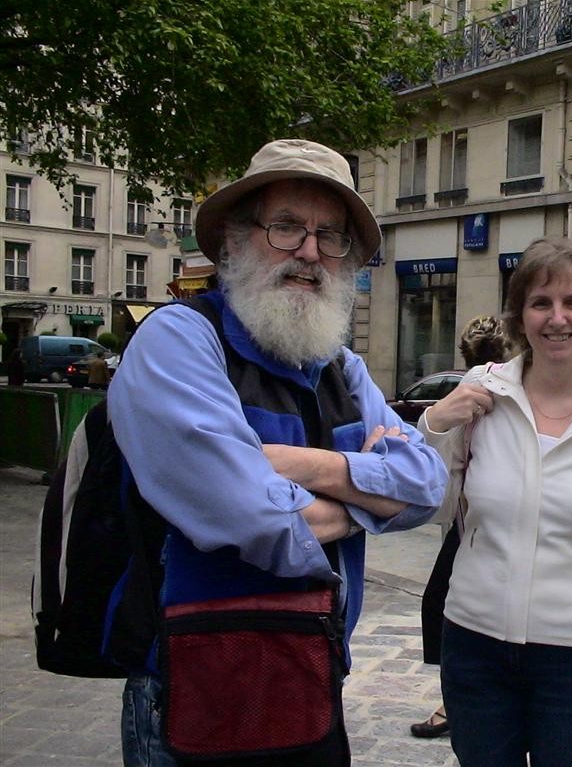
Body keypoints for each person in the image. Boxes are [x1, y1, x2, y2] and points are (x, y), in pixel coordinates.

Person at [108, 138, 447, 767]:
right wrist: (366, 499)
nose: (310, 253)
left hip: (315, 677)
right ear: (235, 241)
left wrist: (291, 466)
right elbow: (253, 518)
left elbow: (426, 485)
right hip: (196, 686)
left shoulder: (340, 366)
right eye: (286, 227)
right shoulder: (179, 340)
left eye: (330, 235)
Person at [420, 237, 572, 767]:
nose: (557, 318)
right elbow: (437, 506)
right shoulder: (483, 394)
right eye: (540, 303)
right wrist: (437, 424)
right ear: (520, 317)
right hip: (474, 642)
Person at [411, 314, 511, 740]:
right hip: (470, 516)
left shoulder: (481, 381)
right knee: (445, 602)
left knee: (447, 603)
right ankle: (457, 697)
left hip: (487, 519)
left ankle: (459, 698)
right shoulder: (477, 385)